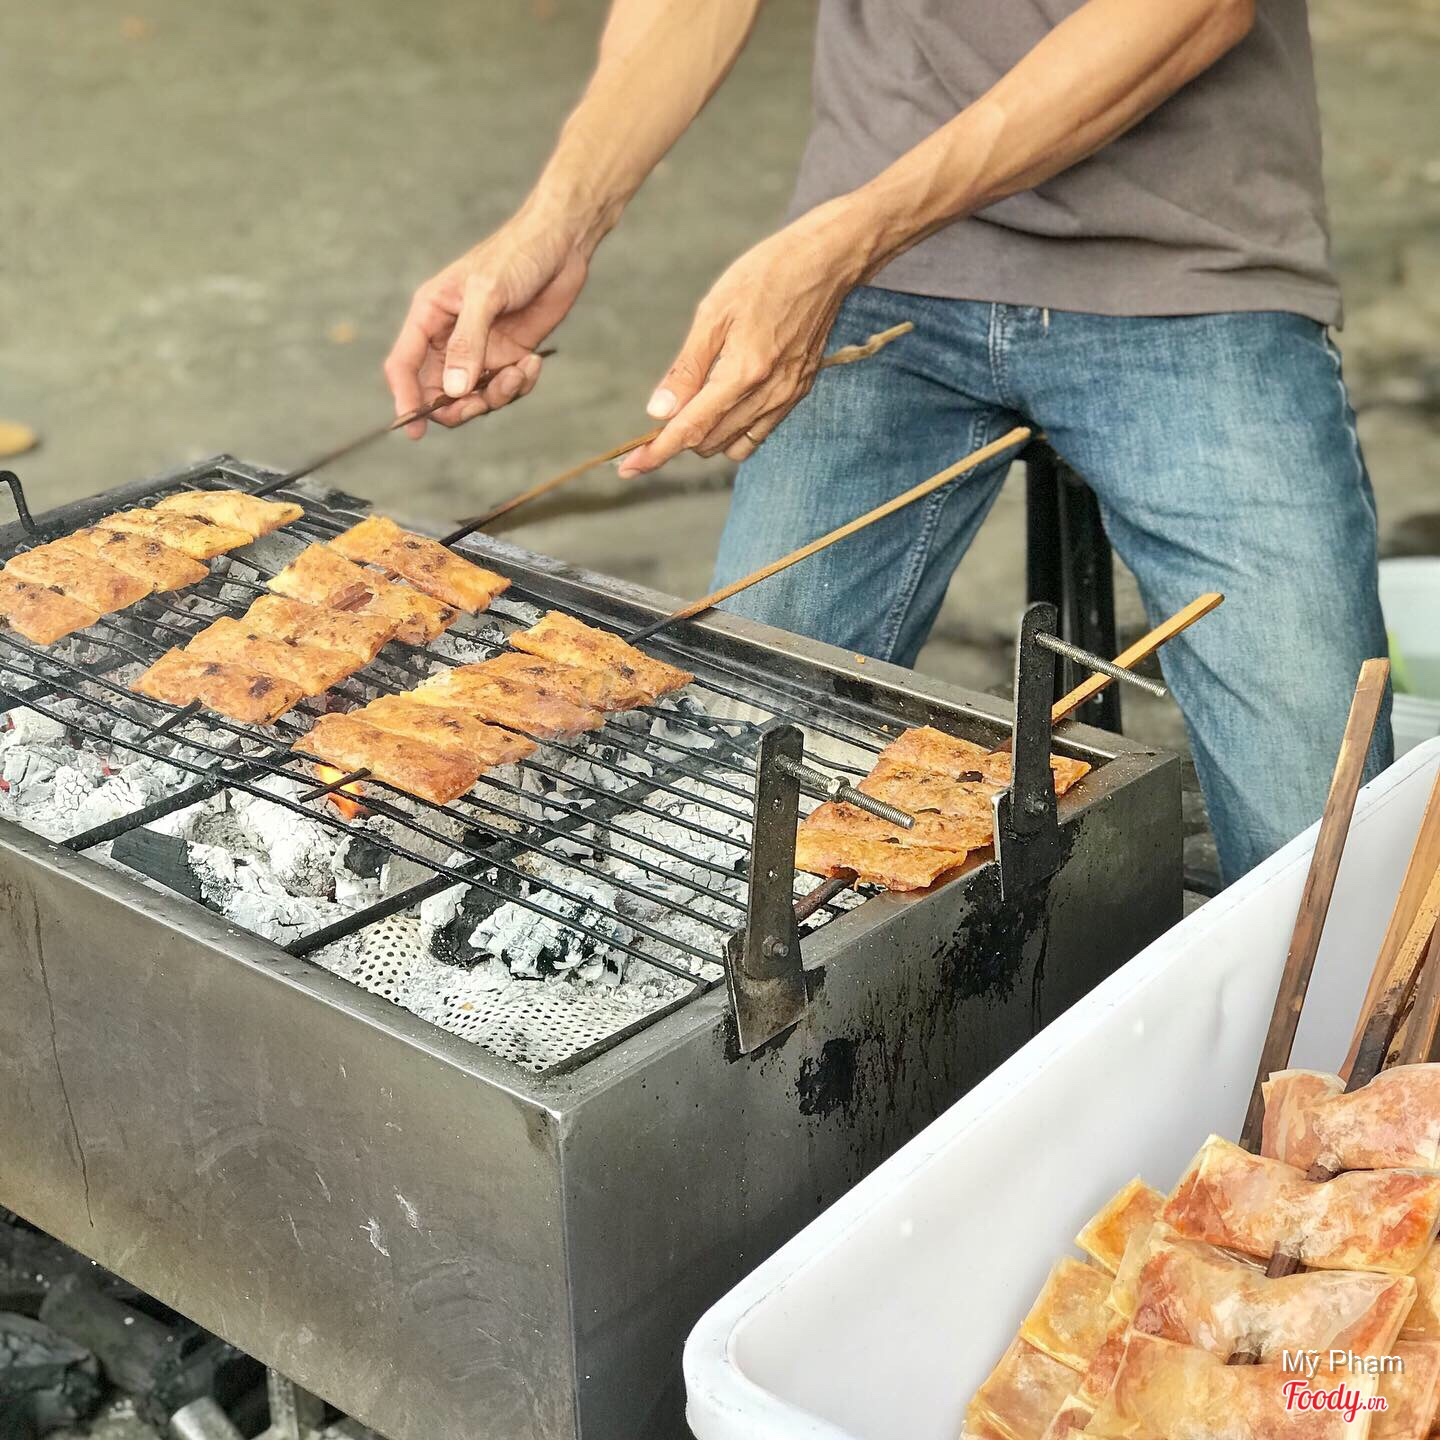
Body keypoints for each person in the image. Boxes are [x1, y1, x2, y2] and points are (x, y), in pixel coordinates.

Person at [384, 0, 1392, 884]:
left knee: (1329, 848)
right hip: (879, 268)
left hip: (1189, 268)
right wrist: (559, 219)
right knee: (723, 792)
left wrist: (844, 241)